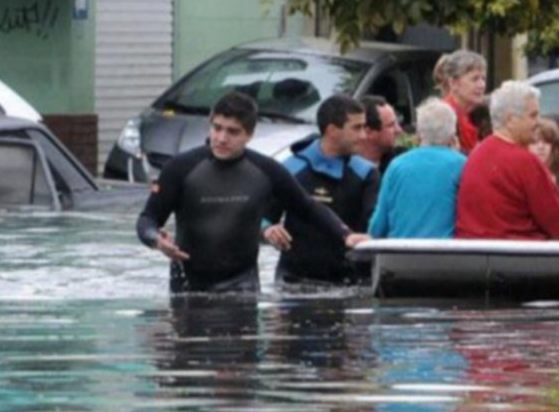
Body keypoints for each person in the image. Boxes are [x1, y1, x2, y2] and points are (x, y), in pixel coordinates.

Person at [136, 92, 367, 294]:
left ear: (249, 134)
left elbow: (307, 206)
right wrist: (156, 240)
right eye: (217, 128)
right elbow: (148, 218)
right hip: (188, 287)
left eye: (232, 132)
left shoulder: (266, 170)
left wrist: (345, 234)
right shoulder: (180, 168)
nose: (222, 138)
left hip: (242, 287)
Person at [267, 95, 382, 286]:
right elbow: (263, 216)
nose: (364, 135)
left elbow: (375, 226)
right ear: (332, 130)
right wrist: (268, 229)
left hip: (349, 282)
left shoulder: (367, 174)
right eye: (356, 128)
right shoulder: (290, 169)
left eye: (364, 127)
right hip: (293, 281)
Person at [454, 82, 559, 241]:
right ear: (511, 119)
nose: (539, 121)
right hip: (520, 258)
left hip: (474, 256)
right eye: (533, 115)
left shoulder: (475, 156)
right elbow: (557, 222)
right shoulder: (525, 162)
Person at [368, 98, 467, 239]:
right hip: (445, 254)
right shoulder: (462, 165)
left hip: (398, 254)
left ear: (419, 133)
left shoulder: (397, 166)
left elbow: (377, 226)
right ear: (452, 135)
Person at [434, 50, 488, 154]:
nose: (482, 85)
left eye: (483, 79)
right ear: (453, 83)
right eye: (475, 79)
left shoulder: (476, 113)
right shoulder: (441, 118)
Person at [358, 95, 405, 175]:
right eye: (391, 125)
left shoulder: (402, 160)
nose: (399, 130)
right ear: (369, 132)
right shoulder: (347, 170)